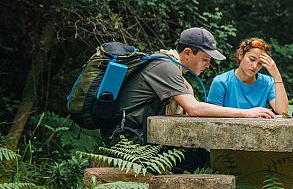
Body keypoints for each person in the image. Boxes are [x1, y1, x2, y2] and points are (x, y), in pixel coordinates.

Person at [100, 27, 275, 146]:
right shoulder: (165, 66)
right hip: (127, 139)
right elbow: (193, 108)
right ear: (187, 53)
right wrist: (246, 113)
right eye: (205, 59)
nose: (208, 65)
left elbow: (189, 100)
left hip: (134, 134)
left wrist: (189, 89)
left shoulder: (169, 64)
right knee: (199, 157)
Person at [205, 37, 289, 115]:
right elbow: (214, 116)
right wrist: (247, 113)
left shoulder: (268, 82)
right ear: (241, 55)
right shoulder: (221, 82)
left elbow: (282, 112)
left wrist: (276, 75)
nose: (254, 66)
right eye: (252, 59)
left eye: (260, 63)